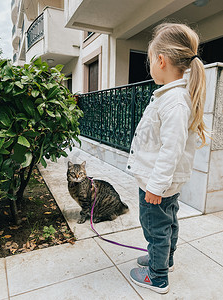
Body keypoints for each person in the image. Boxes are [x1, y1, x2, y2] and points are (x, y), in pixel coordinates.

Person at [126, 23, 207, 294]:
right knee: (168, 221)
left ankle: (157, 276)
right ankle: (165, 260)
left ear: (161, 60)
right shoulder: (175, 96)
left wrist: (155, 187)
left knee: (155, 228)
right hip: (166, 183)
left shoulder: (173, 101)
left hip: (156, 182)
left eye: (150, 60)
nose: (150, 66)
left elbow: (170, 151)